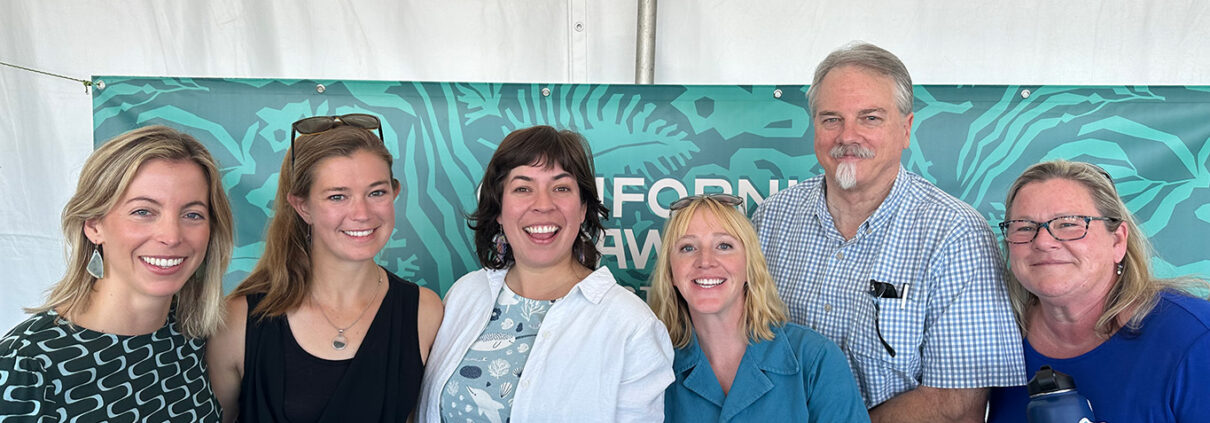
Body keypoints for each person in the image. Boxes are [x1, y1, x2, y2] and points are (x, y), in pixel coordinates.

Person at [751, 41, 1026, 421]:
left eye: (870, 118)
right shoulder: (770, 219)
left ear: (906, 129)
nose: (848, 136)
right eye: (832, 119)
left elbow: (955, 405)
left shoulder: (956, 234)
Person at [416, 125, 674, 422]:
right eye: (523, 188)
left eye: (561, 188)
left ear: (582, 209)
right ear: (499, 209)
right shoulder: (464, 294)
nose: (543, 205)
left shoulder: (632, 325)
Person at [207, 114, 443, 422]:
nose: (361, 213)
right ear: (302, 206)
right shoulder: (238, 321)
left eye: (376, 192)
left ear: (394, 193)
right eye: (337, 196)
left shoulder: (425, 311)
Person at [0, 126, 233, 421]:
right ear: (94, 225)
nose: (171, 236)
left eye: (192, 215)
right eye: (143, 211)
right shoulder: (23, 366)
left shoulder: (193, 337)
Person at [986, 160, 1210, 421]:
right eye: (1024, 227)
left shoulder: (1195, 339)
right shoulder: (996, 339)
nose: (1044, 242)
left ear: (1117, 241)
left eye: (1069, 224)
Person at [648, 194, 869, 422]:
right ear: (671, 272)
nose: (706, 261)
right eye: (687, 247)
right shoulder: (652, 366)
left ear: (749, 265)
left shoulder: (816, 360)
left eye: (724, 245)